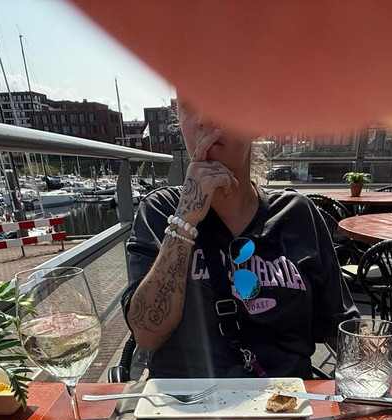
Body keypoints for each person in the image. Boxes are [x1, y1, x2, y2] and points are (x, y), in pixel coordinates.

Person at [122, 101, 357, 379]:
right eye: (189, 105)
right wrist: (186, 218)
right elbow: (147, 335)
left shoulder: (297, 214)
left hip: (284, 401)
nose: (203, 118)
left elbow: (341, 330)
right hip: (186, 402)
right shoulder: (161, 211)